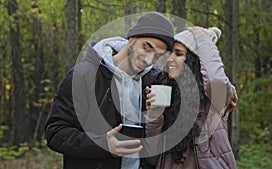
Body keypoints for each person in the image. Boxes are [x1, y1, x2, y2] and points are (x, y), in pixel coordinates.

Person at [44, 12, 174, 169]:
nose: (148, 60)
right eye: (146, 48)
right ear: (132, 39)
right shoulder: (83, 76)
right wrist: (102, 145)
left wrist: (155, 117)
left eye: (157, 56)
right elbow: (55, 133)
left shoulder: (156, 81)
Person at [145, 26, 238, 169]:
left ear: (194, 61)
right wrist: (154, 117)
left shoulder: (214, 101)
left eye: (178, 54)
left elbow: (214, 79)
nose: (169, 59)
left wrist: (203, 40)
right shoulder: (170, 95)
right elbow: (152, 157)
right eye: (171, 53)